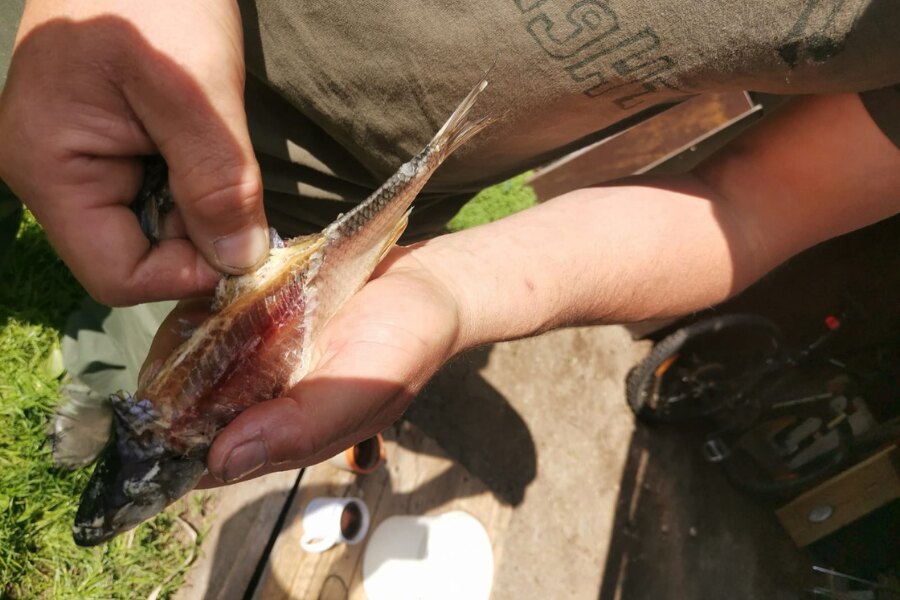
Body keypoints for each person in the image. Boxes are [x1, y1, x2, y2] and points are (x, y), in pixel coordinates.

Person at [0, 0, 898, 486]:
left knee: (136, 330)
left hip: (351, 201)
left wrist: (454, 292)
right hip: (124, 34)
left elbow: (746, 207)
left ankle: (82, 397)